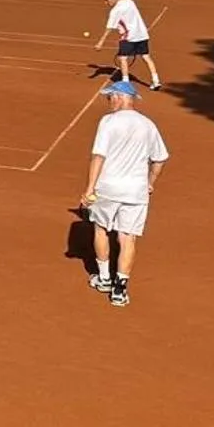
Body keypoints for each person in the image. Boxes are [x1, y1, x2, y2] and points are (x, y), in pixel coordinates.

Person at [82, 80, 169, 308]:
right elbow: (159, 159)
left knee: (101, 229)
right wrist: (150, 182)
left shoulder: (108, 122)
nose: (108, 101)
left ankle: (104, 278)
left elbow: (98, 156)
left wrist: (90, 189)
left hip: (108, 187)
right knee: (127, 237)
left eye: (110, 97)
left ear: (120, 97)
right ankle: (120, 289)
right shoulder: (148, 125)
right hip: (136, 191)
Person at [95, 0, 161, 91]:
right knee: (146, 57)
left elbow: (109, 28)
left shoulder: (115, 11)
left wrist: (101, 42)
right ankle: (156, 80)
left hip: (129, 37)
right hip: (142, 34)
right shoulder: (129, 1)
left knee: (123, 58)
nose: (106, 2)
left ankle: (125, 83)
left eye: (107, 0)